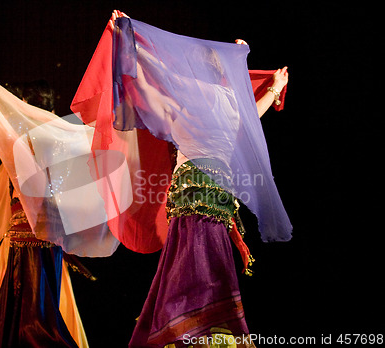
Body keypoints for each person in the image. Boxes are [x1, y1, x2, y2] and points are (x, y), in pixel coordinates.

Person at [72, 11, 291, 348]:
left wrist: (127, 38)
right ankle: (207, 329)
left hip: (191, 189)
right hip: (220, 193)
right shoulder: (234, 102)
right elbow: (254, 116)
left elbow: (151, 73)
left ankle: (185, 332)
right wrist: (273, 87)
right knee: (208, 258)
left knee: (188, 258)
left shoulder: (187, 92)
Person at [0, 52, 90, 348]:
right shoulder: (63, 136)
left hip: (26, 240)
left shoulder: (26, 136)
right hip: (47, 241)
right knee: (44, 303)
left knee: (28, 318)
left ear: (26, 104)